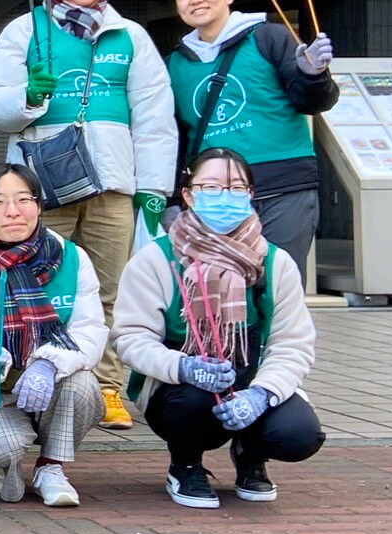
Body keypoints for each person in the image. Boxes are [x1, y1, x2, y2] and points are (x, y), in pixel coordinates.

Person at [0, 0, 174, 427]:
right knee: (31, 285)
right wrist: (28, 95)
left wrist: (153, 188)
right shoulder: (26, 29)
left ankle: (104, 387)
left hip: (113, 187)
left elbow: (154, 117)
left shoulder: (130, 37)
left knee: (110, 291)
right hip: (43, 189)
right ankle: (22, 376)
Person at [112, 148, 323, 510]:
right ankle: (185, 465)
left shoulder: (275, 262)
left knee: (297, 434)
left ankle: (251, 454)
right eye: (211, 187)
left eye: (236, 188)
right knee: (191, 402)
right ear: (189, 195)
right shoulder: (156, 259)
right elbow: (129, 338)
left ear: (251, 195)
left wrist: (261, 395)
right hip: (181, 390)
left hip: (250, 379)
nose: (224, 198)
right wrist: (183, 367)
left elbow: (294, 344)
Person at [0, 162, 110, 509]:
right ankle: (6, 462)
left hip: (55, 381)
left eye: (24, 199)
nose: (13, 212)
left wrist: (48, 364)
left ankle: (51, 466)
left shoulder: (73, 258)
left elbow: (89, 330)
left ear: (39, 205)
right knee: (0, 445)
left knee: (83, 387)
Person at [164, 0, 338, 264]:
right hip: (215, 193)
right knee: (221, 282)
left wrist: (313, 75)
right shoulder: (175, 63)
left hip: (284, 186)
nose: (195, 0)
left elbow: (314, 103)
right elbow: (175, 136)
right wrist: (173, 197)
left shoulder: (267, 37)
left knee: (278, 281)